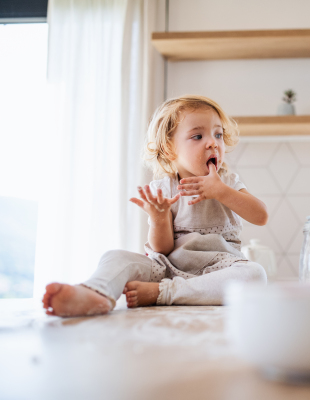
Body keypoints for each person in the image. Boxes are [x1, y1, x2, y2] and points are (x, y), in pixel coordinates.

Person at [42, 95, 269, 317]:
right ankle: (95, 292)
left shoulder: (228, 181)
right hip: (167, 269)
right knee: (116, 257)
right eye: (198, 136)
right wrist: (159, 219)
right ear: (170, 148)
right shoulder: (163, 189)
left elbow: (260, 216)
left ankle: (164, 293)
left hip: (220, 270)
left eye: (218, 134)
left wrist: (222, 191)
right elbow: (161, 250)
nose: (212, 143)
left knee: (255, 274)